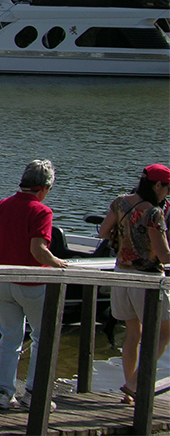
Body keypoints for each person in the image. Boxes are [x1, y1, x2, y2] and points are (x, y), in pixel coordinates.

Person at [0, 159, 68, 411]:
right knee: (43, 336)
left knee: (9, 337)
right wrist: (57, 263)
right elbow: (38, 250)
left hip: (2, 280)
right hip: (31, 283)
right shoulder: (41, 211)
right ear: (44, 187)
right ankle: (34, 393)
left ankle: (3, 392)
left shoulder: (2, 205)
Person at [97, 163, 170, 404]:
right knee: (164, 333)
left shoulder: (120, 203)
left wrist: (125, 241)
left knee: (133, 332)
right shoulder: (154, 213)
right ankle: (135, 383)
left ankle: (130, 393)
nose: (167, 194)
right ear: (157, 185)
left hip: (121, 273)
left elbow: (103, 232)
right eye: (166, 189)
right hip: (146, 279)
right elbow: (163, 255)